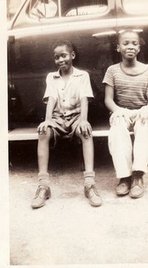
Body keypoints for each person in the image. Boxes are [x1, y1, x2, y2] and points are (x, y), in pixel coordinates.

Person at [31, 40, 102, 208]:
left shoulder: (82, 75)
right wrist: (48, 120)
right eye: (56, 57)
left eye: (63, 55)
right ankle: (43, 186)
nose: (60, 60)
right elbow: (52, 99)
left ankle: (89, 184)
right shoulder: (52, 77)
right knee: (43, 132)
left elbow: (85, 98)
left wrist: (84, 120)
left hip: (77, 116)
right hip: (57, 118)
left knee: (86, 132)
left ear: (72, 55)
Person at [103, 29, 148, 198]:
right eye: (125, 43)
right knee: (117, 128)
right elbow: (108, 100)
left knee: (144, 127)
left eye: (134, 43)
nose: (130, 47)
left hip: (143, 110)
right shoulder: (112, 71)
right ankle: (124, 177)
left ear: (139, 48)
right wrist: (118, 111)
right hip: (122, 110)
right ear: (118, 48)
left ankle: (138, 175)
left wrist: (146, 110)